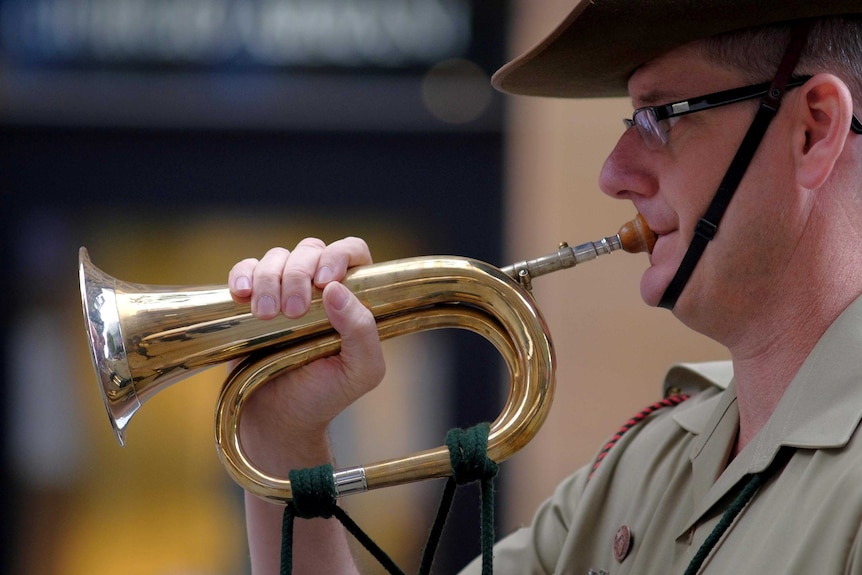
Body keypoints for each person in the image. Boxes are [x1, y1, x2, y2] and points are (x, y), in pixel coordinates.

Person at [228, 1, 862, 573]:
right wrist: (283, 439)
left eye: (660, 117)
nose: (614, 174)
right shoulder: (644, 465)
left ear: (812, 129)